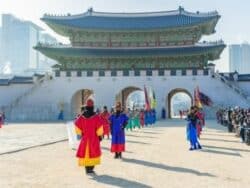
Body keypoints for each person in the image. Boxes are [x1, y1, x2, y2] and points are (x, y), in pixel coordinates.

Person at [74, 99, 103, 174]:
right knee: (93, 152)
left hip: (85, 138)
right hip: (93, 137)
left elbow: (77, 125)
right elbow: (99, 127)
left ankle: (87, 168)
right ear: (93, 106)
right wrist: (100, 136)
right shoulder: (96, 116)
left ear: (86, 106)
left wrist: (81, 133)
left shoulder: (82, 116)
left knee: (86, 152)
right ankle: (91, 168)